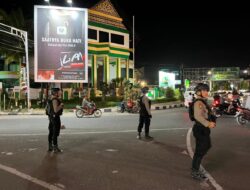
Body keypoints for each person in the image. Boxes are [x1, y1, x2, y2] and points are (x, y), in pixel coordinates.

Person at [191, 83, 216, 180]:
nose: (206, 92)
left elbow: (206, 113)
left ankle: (196, 167)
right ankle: (195, 171)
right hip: (200, 128)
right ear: (199, 92)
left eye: (207, 90)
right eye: (204, 90)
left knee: (207, 146)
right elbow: (198, 116)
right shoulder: (198, 102)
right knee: (199, 151)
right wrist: (208, 124)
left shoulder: (203, 101)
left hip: (203, 128)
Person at [48, 88, 64, 153]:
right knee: (55, 133)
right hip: (55, 118)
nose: (60, 93)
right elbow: (55, 110)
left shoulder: (51, 98)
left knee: (51, 132)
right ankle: (55, 147)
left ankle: (50, 147)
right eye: (59, 92)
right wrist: (61, 105)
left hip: (51, 118)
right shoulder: (54, 100)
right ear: (55, 93)